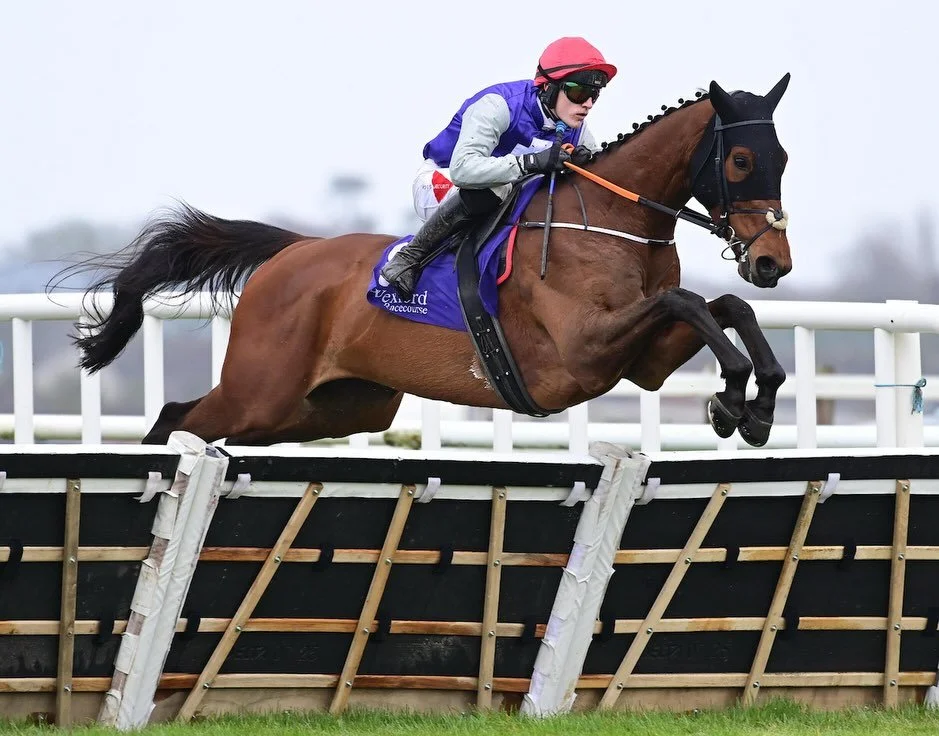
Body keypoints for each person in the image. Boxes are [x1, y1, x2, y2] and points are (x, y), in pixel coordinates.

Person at [380, 36, 617, 301]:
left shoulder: (577, 128)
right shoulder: (499, 105)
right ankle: (408, 258)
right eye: (578, 93)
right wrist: (532, 162)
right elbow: (463, 170)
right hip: (442, 181)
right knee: (499, 186)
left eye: (594, 95)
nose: (587, 104)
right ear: (548, 87)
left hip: (501, 196)